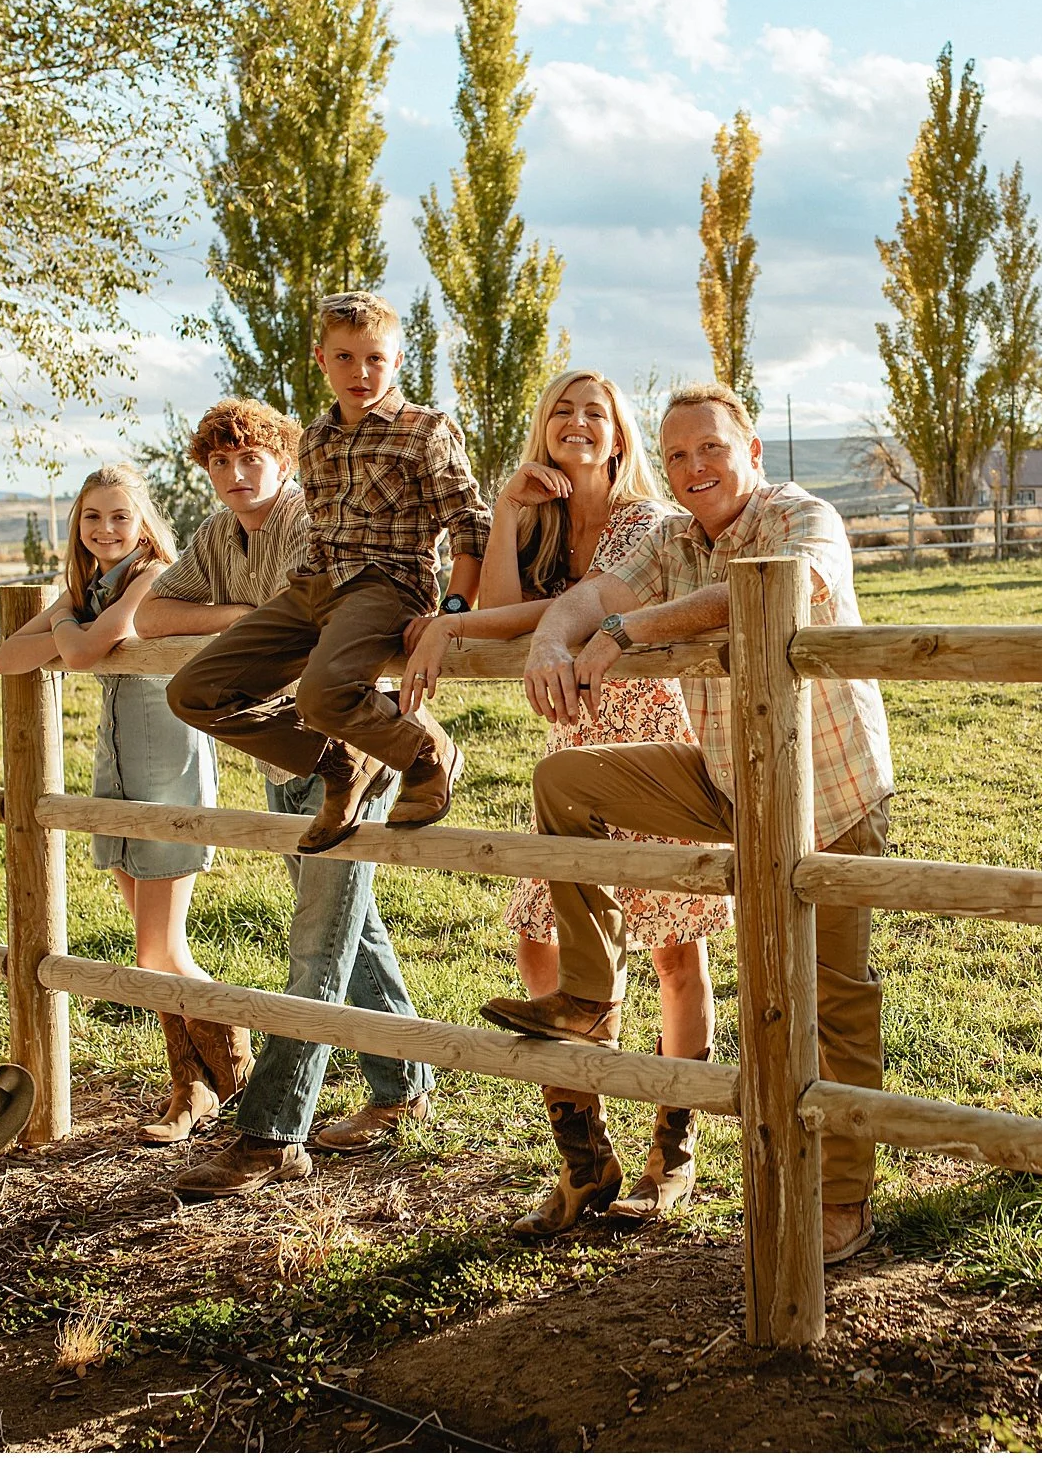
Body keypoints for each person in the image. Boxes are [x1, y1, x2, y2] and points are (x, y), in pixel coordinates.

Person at [478, 383, 896, 1265]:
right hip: (726, 778)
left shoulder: (800, 514)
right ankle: (591, 995)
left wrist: (626, 630)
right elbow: (588, 598)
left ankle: (842, 1199)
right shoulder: (674, 537)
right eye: (676, 456)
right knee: (562, 781)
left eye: (710, 448)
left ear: (752, 450)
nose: (693, 468)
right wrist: (558, 639)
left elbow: (778, 590)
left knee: (832, 998)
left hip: (830, 793)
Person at [400, 370, 728, 1234]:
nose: (577, 423)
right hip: (570, 747)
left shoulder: (644, 523)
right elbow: (513, 608)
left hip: (646, 737)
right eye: (560, 412)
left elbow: (560, 617)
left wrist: (451, 623)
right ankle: (586, 1157)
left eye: (596, 414)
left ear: (618, 438)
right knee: (540, 941)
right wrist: (508, 509)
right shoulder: (544, 525)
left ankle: (674, 1146)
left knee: (671, 947)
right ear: (541, 429)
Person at [128, 398, 437, 1197]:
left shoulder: (310, 522)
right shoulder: (220, 536)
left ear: (286, 458)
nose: (236, 475)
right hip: (291, 755)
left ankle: (271, 1133)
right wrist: (245, 623)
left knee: (316, 943)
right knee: (346, 925)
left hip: (358, 746)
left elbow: (318, 630)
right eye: (220, 464)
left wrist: (243, 633)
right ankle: (401, 1086)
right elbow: (154, 611)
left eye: (251, 458)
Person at [167, 291, 490, 857]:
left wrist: (452, 614)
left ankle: (424, 752)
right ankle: (340, 763)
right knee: (194, 693)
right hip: (314, 586)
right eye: (344, 358)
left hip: (387, 585)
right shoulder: (314, 438)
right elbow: (320, 529)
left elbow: (470, 524)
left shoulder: (424, 431)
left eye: (375, 359)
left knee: (322, 695)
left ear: (397, 360)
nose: (360, 373)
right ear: (322, 360)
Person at [0, 463, 245, 1142]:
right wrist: (73, 624)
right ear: (78, 523)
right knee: (157, 951)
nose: (107, 529)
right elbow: (8, 658)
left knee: (157, 949)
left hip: (167, 770)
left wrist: (73, 628)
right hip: (118, 770)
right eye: (93, 517)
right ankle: (200, 1084)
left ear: (143, 524)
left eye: (120, 517)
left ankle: (230, 1068)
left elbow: (82, 652)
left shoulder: (150, 577)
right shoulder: (88, 587)